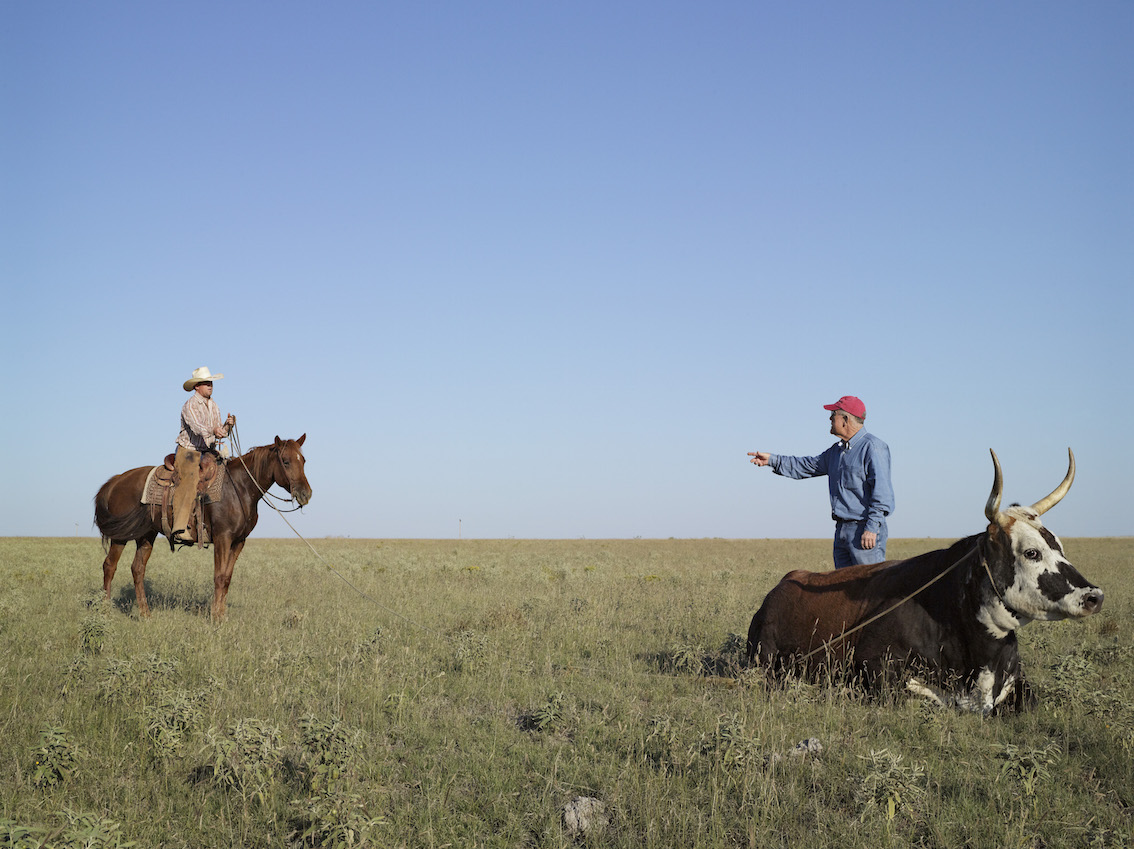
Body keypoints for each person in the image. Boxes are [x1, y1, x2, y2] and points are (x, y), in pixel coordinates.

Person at [748, 395, 894, 569]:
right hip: (842, 530)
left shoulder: (873, 447)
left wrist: (871, 528)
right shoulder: (836, 452)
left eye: (833, 415)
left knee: (869, 590)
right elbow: (807, 466)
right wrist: (773, 460)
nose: (830, 419)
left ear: (845, 419)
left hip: (864, 530)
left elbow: (882, 494)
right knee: (842, 592)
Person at [172, 367, 235, 545]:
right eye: (206, 383)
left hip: (208, 451)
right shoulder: (190, 405)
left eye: (211, 383)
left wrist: (227, 426)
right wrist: (215, 430)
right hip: (189, 450)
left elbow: (219, 432)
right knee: (190, 480)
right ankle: (180, 527)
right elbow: (198, 428)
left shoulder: (214, 405)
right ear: (196, 387)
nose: (210, 386)